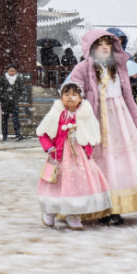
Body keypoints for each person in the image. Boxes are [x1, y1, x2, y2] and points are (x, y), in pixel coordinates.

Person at [65, 31, 137, 220]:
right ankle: (97, 206)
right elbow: (73, 95)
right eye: (100, 44)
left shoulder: (119, 67)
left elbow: (128, 96)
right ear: (91, 48)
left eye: (108, 44)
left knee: (121, 162)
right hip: (94, 118)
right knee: (97, 162)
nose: (105, 47)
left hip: (119, 119)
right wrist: (77, 117)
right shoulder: (82, 68)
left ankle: (115, 206)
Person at [35, 82, 112, 230]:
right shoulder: (56, 114)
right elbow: (43, 132)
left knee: (77, 183)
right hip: (58, 154)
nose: (70, 98)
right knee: (55, 182)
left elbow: (93, 134)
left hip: (79, 156)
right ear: (61, 97)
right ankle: (50, 210)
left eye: (74, 95)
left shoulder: (86, 116)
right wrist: (50, 147)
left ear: (81, 98)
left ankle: (73, 213)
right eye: (66, 94)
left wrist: (87, 149)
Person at [0, 65, 25, 140]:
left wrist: (17, 95)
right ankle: (4, 136)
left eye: (13, 71)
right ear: (7, 71)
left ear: (16, 71)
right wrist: (2, 95)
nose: (11, 72)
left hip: (14, 102)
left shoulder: (18, 79)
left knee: (16, 119)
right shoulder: (3, 78)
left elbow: (21, 89)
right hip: (5, 101)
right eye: (10, 71)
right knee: (4, 119)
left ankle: (18, 134)